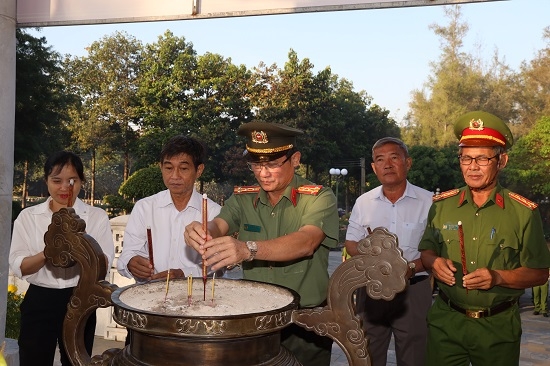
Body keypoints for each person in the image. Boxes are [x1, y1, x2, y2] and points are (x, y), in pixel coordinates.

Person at [184, 121, 339, 366]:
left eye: (273, 164)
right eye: (256, 164)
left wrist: (248, 249)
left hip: (305, 321)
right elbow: (220, 224)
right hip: (256, 319)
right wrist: (202, 231)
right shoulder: (244, 198)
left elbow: (306, 241)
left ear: (295, 159)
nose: (262, 173)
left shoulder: (318, 197)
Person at [419, 111, 550, 366]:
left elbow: (540, 273)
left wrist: (498, 277)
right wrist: (433, 263)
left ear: (502, 161)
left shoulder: (523, 212)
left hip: (497, 328)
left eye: (482, 158)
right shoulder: (441, 206)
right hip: (446, 323)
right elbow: (426, 251)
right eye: (466, 158)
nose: (473, 167)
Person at [9, 151, 115, 366]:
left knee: (77, 361)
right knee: (33, 359)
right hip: (40, 299)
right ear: (46, 181)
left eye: (72, 180)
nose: (65, 187)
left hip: (80, 298)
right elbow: (19, 264)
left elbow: (103, 262)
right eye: (57, 181)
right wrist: (49, 252)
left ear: (82, 181)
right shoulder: (29, 217)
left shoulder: (96, 216)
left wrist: (78, 247)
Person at [344, 137, 433, 366]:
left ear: (408, 162)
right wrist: (374, 263)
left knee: (414, 356)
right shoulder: (364, 202)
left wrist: (410, 268)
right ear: (374, 168)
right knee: (368, 354)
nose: (387, 164)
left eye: (394, 157)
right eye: (380, 160)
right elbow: (352, 243)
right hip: (371, 291)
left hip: (413, 291)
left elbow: (435, 249)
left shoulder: (429, 201)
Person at [117, 135, 221, 282]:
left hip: (195, 297)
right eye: (168, 168)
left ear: (199, 170)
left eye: (183, 168)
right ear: (161, 167)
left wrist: (184, 274)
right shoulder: (145, 208)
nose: (174, 176)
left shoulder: (213, 213)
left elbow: (218, 266)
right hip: (150, 295)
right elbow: (128, 253)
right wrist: (131, 263)